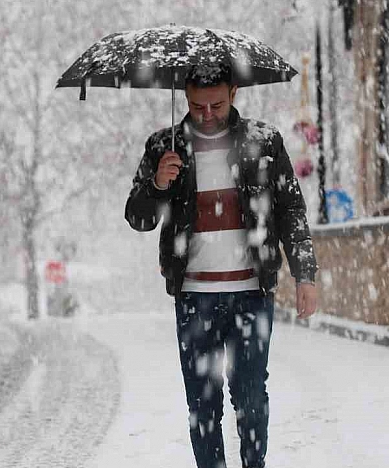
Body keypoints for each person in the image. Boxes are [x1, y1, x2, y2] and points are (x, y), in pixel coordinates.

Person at [124, 63, 319, 468]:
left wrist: (305, 274)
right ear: (186, 97)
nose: (207, 114)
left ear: (234, 94)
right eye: (197, 106)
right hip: (195, 296)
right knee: (202, 400)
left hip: (252, 292)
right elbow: (138, 219)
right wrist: (158, 184)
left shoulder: (264, 143)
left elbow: (290, 211)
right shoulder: (165, 146)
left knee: (250, 397)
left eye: (215, 105)